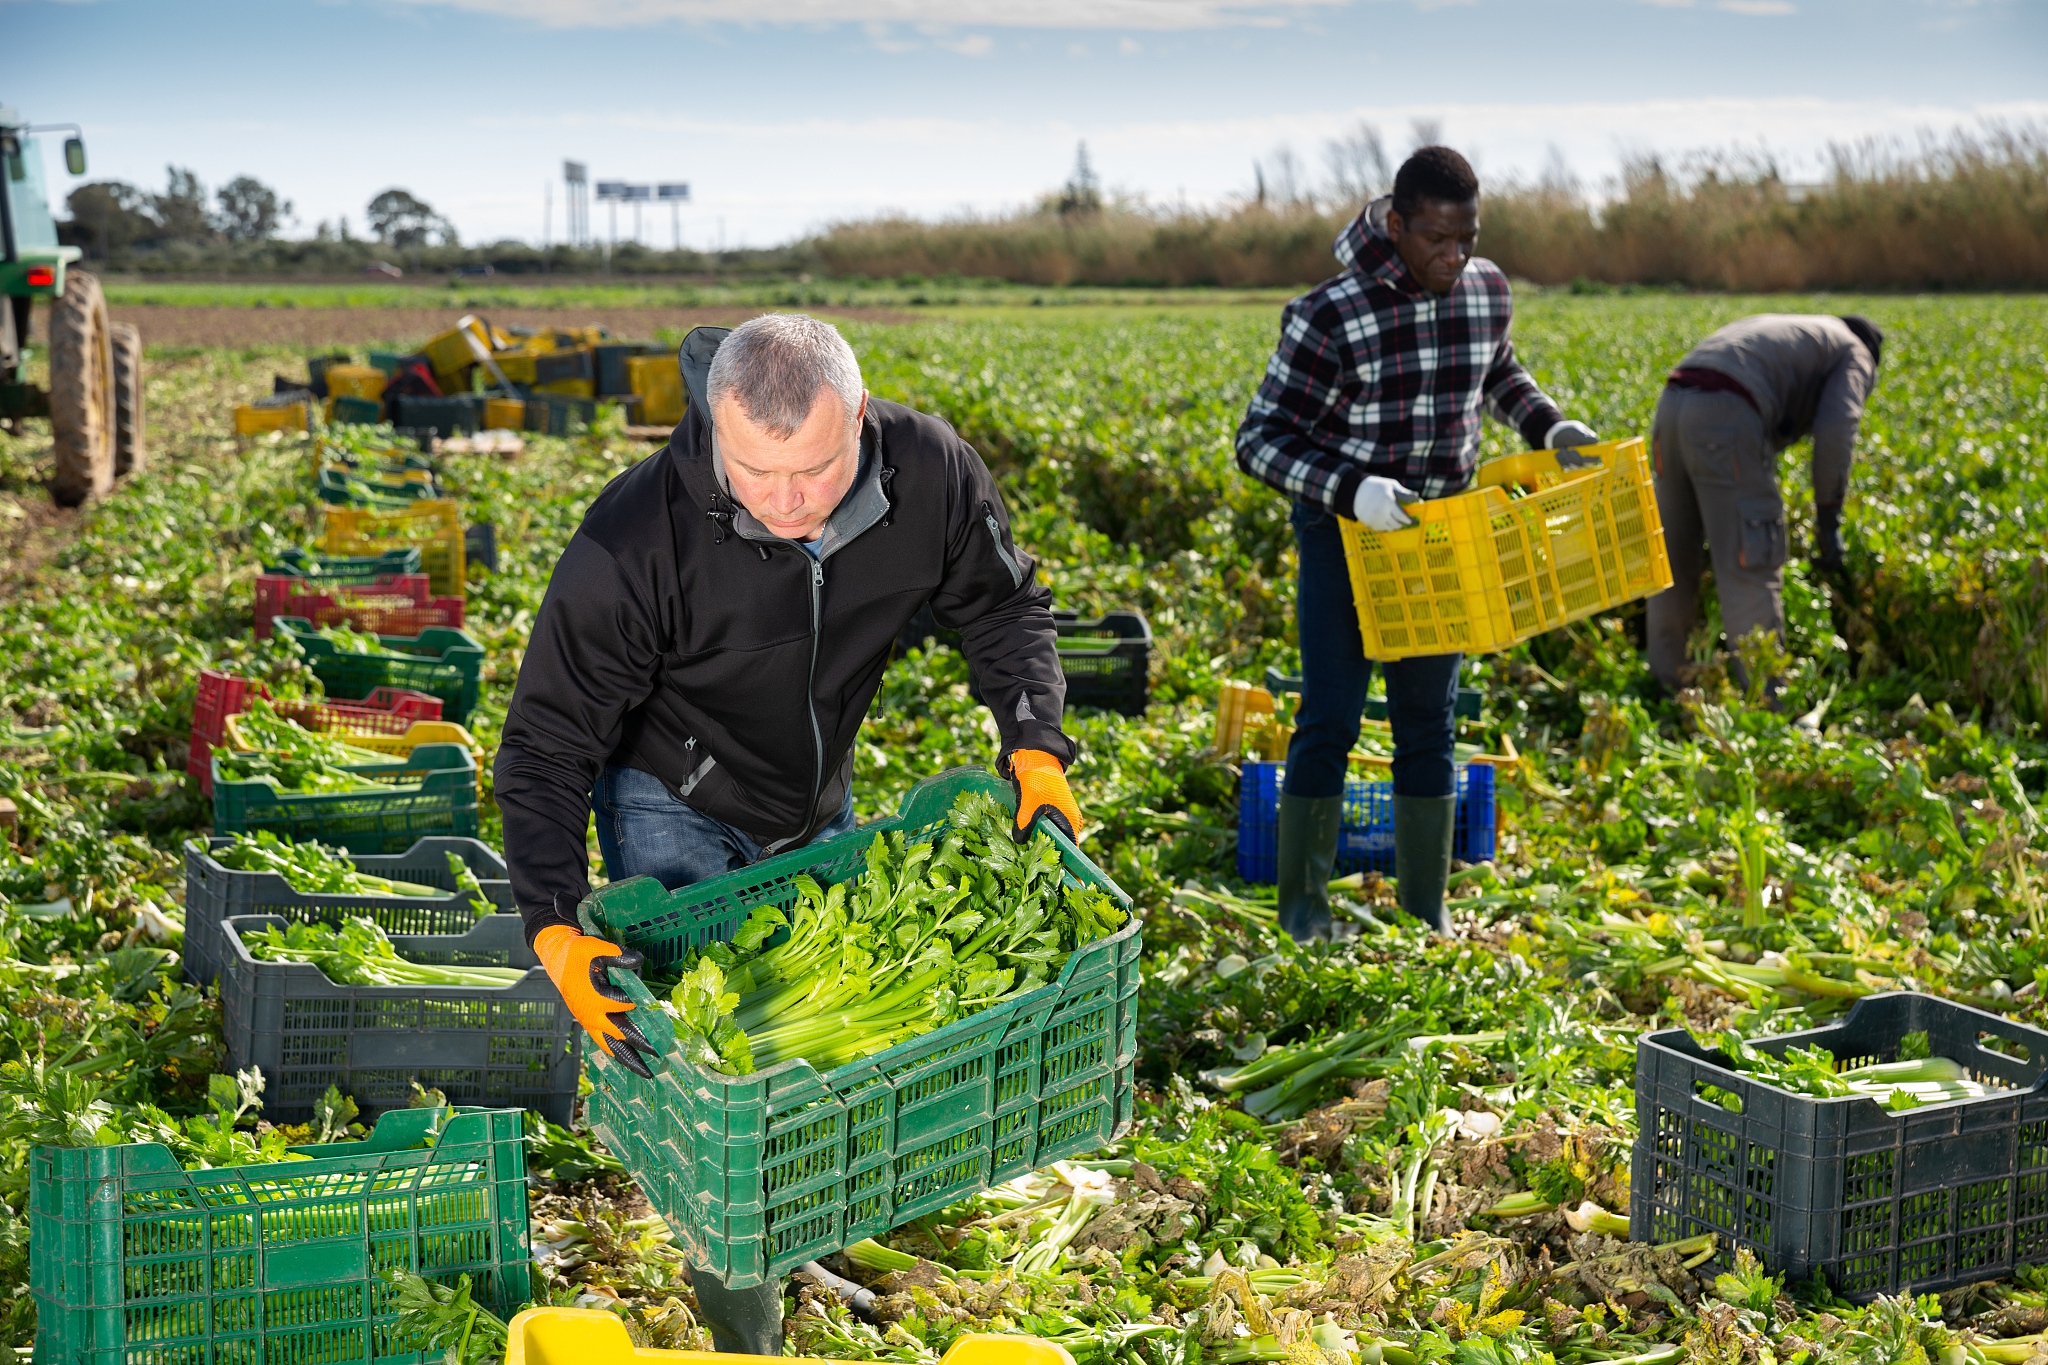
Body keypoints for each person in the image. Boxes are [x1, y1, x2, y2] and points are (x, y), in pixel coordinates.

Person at [494, 313, 1083, 1355]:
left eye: (811, 470)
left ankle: (808, 1228)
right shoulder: (637, 534)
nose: (785, 501)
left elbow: (1003, 607)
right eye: (754, 472)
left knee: (817, 1046)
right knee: (715, 1079)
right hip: (667, 792)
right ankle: (745, 1325)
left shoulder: (928, 472)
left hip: (815, 797)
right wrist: (551, 922)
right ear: (715, 429)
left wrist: (1034, 744)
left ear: (858, 420)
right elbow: (546, 743)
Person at [1234, 145, 1601, 942]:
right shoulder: (1330, 313)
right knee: (1329, 718)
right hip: (1345, 536)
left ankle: (1424, 915)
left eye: (1467, 238)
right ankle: (1304, 915)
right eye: (1437, 238)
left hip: (1440, 535)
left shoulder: (1486, 290)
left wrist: (1549, 425)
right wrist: (1351, 491)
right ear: (1396, 225)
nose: (1454, 255)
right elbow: (1258, 441)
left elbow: (1497, 373)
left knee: (1428, 723)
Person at [1645, 313, 1883, 693]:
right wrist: (1828, 519)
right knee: (1751, 560)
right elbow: (1836, 431)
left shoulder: (1801, 329)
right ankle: (1767, 703)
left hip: (1671, 407)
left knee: (1671, 558)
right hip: (1724, 413)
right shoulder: (1854, 352)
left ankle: (1668, 687)